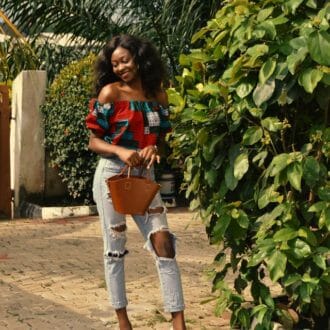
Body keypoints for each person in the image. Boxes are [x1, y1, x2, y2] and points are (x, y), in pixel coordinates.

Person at [85, 34, 186, 330]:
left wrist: (154, 148)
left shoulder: (158, 95)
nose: (120, 68)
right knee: (115, 247)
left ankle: (179, 322)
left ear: (140, 58)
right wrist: (121, 150)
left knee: (164, 243)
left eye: (125, 61)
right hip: (112, 176)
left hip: (145, 177)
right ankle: (123, 321)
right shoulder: (109, 94)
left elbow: (163, 141)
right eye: (114, 64)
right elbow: (94, 141)